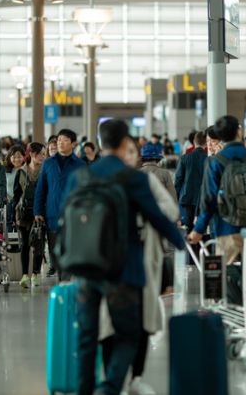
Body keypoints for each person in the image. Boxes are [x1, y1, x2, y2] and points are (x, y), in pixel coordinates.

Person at [63, 119, 185, 395]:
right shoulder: (134, 178)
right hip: (123, 268)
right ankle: (110, 388)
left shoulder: (80, 176)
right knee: (128, 334)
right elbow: (157, 217)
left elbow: (65, 217)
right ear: (125, 142)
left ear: (100, 141)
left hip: (85, 266)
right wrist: (180, 242)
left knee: (87, 337)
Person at [99, 136, 179, 395]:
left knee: (139, 320)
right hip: (115, 262)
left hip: (135, 260)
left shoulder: (140, 181)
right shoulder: (102, 181)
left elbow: (169, 211)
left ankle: (131, 378)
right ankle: (117, 379)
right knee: (113, 321)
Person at [188, 115, 246, 264]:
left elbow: (209, 198)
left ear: (219, 136)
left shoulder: (214, 162)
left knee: (227, 277)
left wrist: (199, 229)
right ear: (239, 132)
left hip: (226, 229)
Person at [34, 129, 85, 280]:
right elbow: (41, 188)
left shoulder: (80, 165)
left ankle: (66, 279)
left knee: (70, 248)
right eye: (59, 140)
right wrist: (38, 211)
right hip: (52, 213)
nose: (61, 143)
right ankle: (62, 278)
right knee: (55, 250)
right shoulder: (48, 163)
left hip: (73, 214)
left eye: (65, 140)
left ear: (74, 144)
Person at [13, 142, 47, 289]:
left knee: (38, 244)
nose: (43, 157)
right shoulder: (21, 172)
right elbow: (16, 195)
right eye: (41, 154)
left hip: (40, 213)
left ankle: (36, 274)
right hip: (24, 214)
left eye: (45, 154)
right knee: (25, 245)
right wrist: (14, 214)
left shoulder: (46, 170)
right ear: (32, 154)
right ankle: (24, 276)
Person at [174, 131, 207, 232]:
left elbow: (178, 180)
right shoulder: (209, 159)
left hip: (187, 198)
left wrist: (177, 197)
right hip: (203, 199)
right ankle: (201, 247)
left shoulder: (185, 158)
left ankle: (191, 247)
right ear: (206, 143)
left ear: (194, 142)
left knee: (189, 228)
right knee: (202, 228)